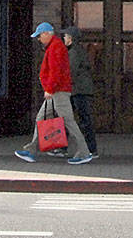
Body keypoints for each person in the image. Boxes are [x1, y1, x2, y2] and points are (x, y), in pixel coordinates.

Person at [14, 21, 93, 165]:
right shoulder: (55, 46)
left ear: (46, 34)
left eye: (39, 36)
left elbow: (56, 72)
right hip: (56, 90)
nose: (38, 39)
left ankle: (84, 152)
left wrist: (49, 89)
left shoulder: (56, 47)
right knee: (41, 118)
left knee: (68, 121)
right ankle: (31, 150)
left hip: (58, 91)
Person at [62, 27, 98, 158]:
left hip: (78, 90)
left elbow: (71, 71)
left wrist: (61, 84)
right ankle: (63, 147)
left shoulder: (74, 52)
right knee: (71, 118)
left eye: (65, 36)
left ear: (71, 38)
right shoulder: (77, 51)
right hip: (78, 89)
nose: (64, 39)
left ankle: (90, 149)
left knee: (81, 119)